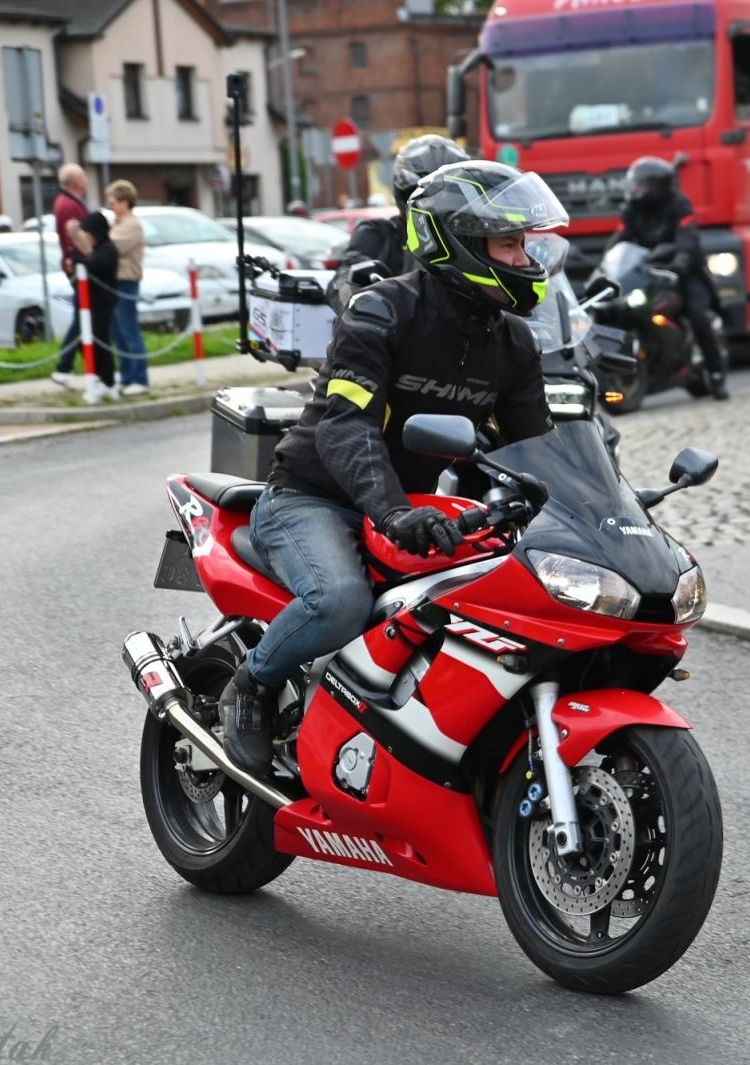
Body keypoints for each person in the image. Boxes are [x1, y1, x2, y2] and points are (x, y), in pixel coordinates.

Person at [218, 160, 563, 776]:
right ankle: (252, 685)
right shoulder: (382, 311)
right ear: (458, 243)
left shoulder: (512, 341)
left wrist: (599, 509)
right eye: (509, 245)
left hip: (410, 509)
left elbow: (536, 448)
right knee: (340, 601)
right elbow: (345, 426)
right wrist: (392, 510)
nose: (524, 259)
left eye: (524, 244)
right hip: (313, 498)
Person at [606, 156, 729, 400]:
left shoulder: (678, 204)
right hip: (648, 271)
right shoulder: (632, 209)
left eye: (641, 185)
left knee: (697, 314)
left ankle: (716, 374)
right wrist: (607, 260)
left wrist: (681, 259)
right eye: (634, 185)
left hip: (684, 272)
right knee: (619, 309)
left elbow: (688, 236)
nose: (635, 190)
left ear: (657, 186)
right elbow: (621, 238)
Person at [326, 134, 468, 311]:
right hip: (396, 326)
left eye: (448, 196)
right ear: (404, 193)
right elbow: (344, 279)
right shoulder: (379, 233)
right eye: (423, 196)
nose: (434, 206)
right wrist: (364, 306)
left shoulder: (474, 239)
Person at [104, 180, 149, 397]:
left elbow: (110, 249)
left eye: (112, 201)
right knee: (118, 334)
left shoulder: (131, 225)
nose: (110, 205)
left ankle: (140, 379)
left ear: (124, 201)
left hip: (126, 282)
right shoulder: (117, 223)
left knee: (129, 331)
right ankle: (127, 377)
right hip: (114, 282)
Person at [48, 164, 91, 390]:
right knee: (83, 316)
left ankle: (92, 366)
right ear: (76, 182)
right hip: (79, 266)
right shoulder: (69, 204)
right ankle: (63, 367)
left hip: (75, 264)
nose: (86, 180)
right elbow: (73, 237)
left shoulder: (67, 201)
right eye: (83, 177)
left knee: (84, 316)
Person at [69, 212, 120, 401]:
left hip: (102, 304)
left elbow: (95, 264)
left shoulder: (108, 249)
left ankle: (108, 382)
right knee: (86, 342)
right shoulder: (98, 249)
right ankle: (101, 378)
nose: (87, 236)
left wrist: (77, 261)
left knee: (101, 342)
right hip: (92, 304)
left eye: (89, 233)